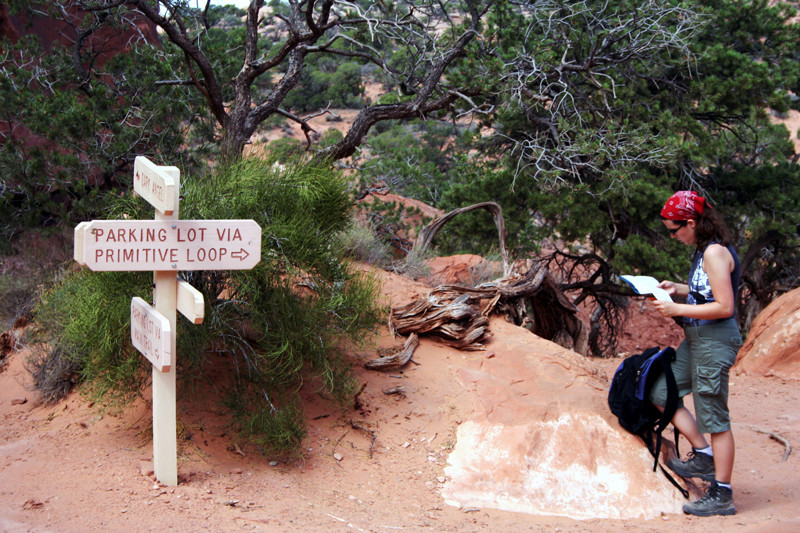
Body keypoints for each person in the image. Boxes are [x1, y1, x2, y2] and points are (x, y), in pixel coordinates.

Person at [648, 190, 742, 517]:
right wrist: (680, 288)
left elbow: (725, 306)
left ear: (691, 222)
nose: (673, 237)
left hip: (714, 340)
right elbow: (708, 291)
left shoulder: (714, 253)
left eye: (675, 230)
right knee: (661, 391)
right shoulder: (704, 250)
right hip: (696, 339)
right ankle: (703, 453)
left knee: (714, 417)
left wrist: (677, 307)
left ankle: (723, 493)